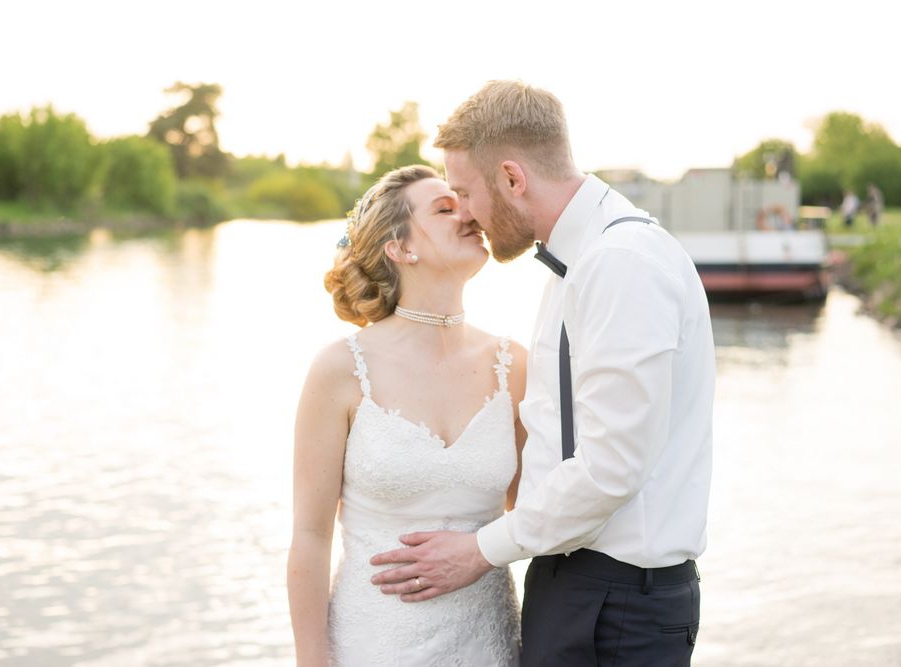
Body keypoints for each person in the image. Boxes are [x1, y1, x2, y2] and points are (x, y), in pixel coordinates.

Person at [369, 81, 716, 666]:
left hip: (618, 604)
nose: (468, 214)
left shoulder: (620, 264)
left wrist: (479, 550)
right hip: (578, 586)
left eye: (465, 192)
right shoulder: (577, 263)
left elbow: (611, 469)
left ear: (512, 178)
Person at [286, 164, 528, 666]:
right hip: (372, 644)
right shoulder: (341, 369)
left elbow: (537, 513)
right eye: (445, 208)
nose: (470, 213)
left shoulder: (514, 365)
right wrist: (313, 661)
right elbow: (311, 537)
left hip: (488, 644)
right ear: (400, 249)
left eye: (465, 199)